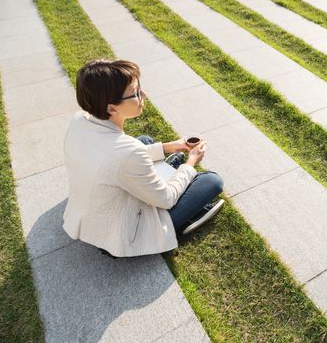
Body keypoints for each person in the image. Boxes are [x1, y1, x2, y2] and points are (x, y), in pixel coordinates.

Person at [62, 59, 224, 258]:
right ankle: (184, 221)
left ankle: (167, 167)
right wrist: (190, 163)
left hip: (90, 216)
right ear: (112, 108)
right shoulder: (129, 152)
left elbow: (112, 157)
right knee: (212, 181)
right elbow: (166, 198)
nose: (144, 95)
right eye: (136, 92)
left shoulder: (79, 119)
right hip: (119, 237)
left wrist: (168, 147)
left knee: (144, 141)